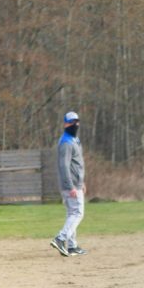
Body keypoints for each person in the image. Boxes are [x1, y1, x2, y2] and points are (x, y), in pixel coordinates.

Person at [51, 110, 87, 257]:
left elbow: (77, 163)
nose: (75, 124)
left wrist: (82, 182)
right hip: (70, 186)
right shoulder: (66, 142)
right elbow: (64, 166)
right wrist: (71, 186)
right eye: (72, 122)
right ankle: (60, 238)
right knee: (77, 213)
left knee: (71, 214)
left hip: (76, 184)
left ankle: (72, 246)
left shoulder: (74, 140)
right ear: (66, 124)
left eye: (77, 121)